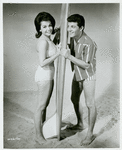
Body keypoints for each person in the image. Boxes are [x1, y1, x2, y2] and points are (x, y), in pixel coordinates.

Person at [61, 14, 97, 146]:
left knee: (90, 104)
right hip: (77, 74)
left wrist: (68, 57)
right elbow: (60, 30)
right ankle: (81, 124)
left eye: (73, 27)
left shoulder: (88, 42)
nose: (69, 29)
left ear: (81, 28)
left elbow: (86, 65)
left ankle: (90, 134)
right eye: (68, 26)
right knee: (74, 99)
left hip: (88, 75)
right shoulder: (72, 37)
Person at [34, 12, 61, 144]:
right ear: (39, 29)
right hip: (44, 75)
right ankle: (38, 136)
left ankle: (42, 130)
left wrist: (58, 32)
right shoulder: (43, 42)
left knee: (44, 106)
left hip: (48, 75)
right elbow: (42, 62)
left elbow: (53, 46)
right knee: (41, 106)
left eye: (50, 26)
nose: (48, 29)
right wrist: (59, 54)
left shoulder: (48, 39)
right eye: (44, 27)